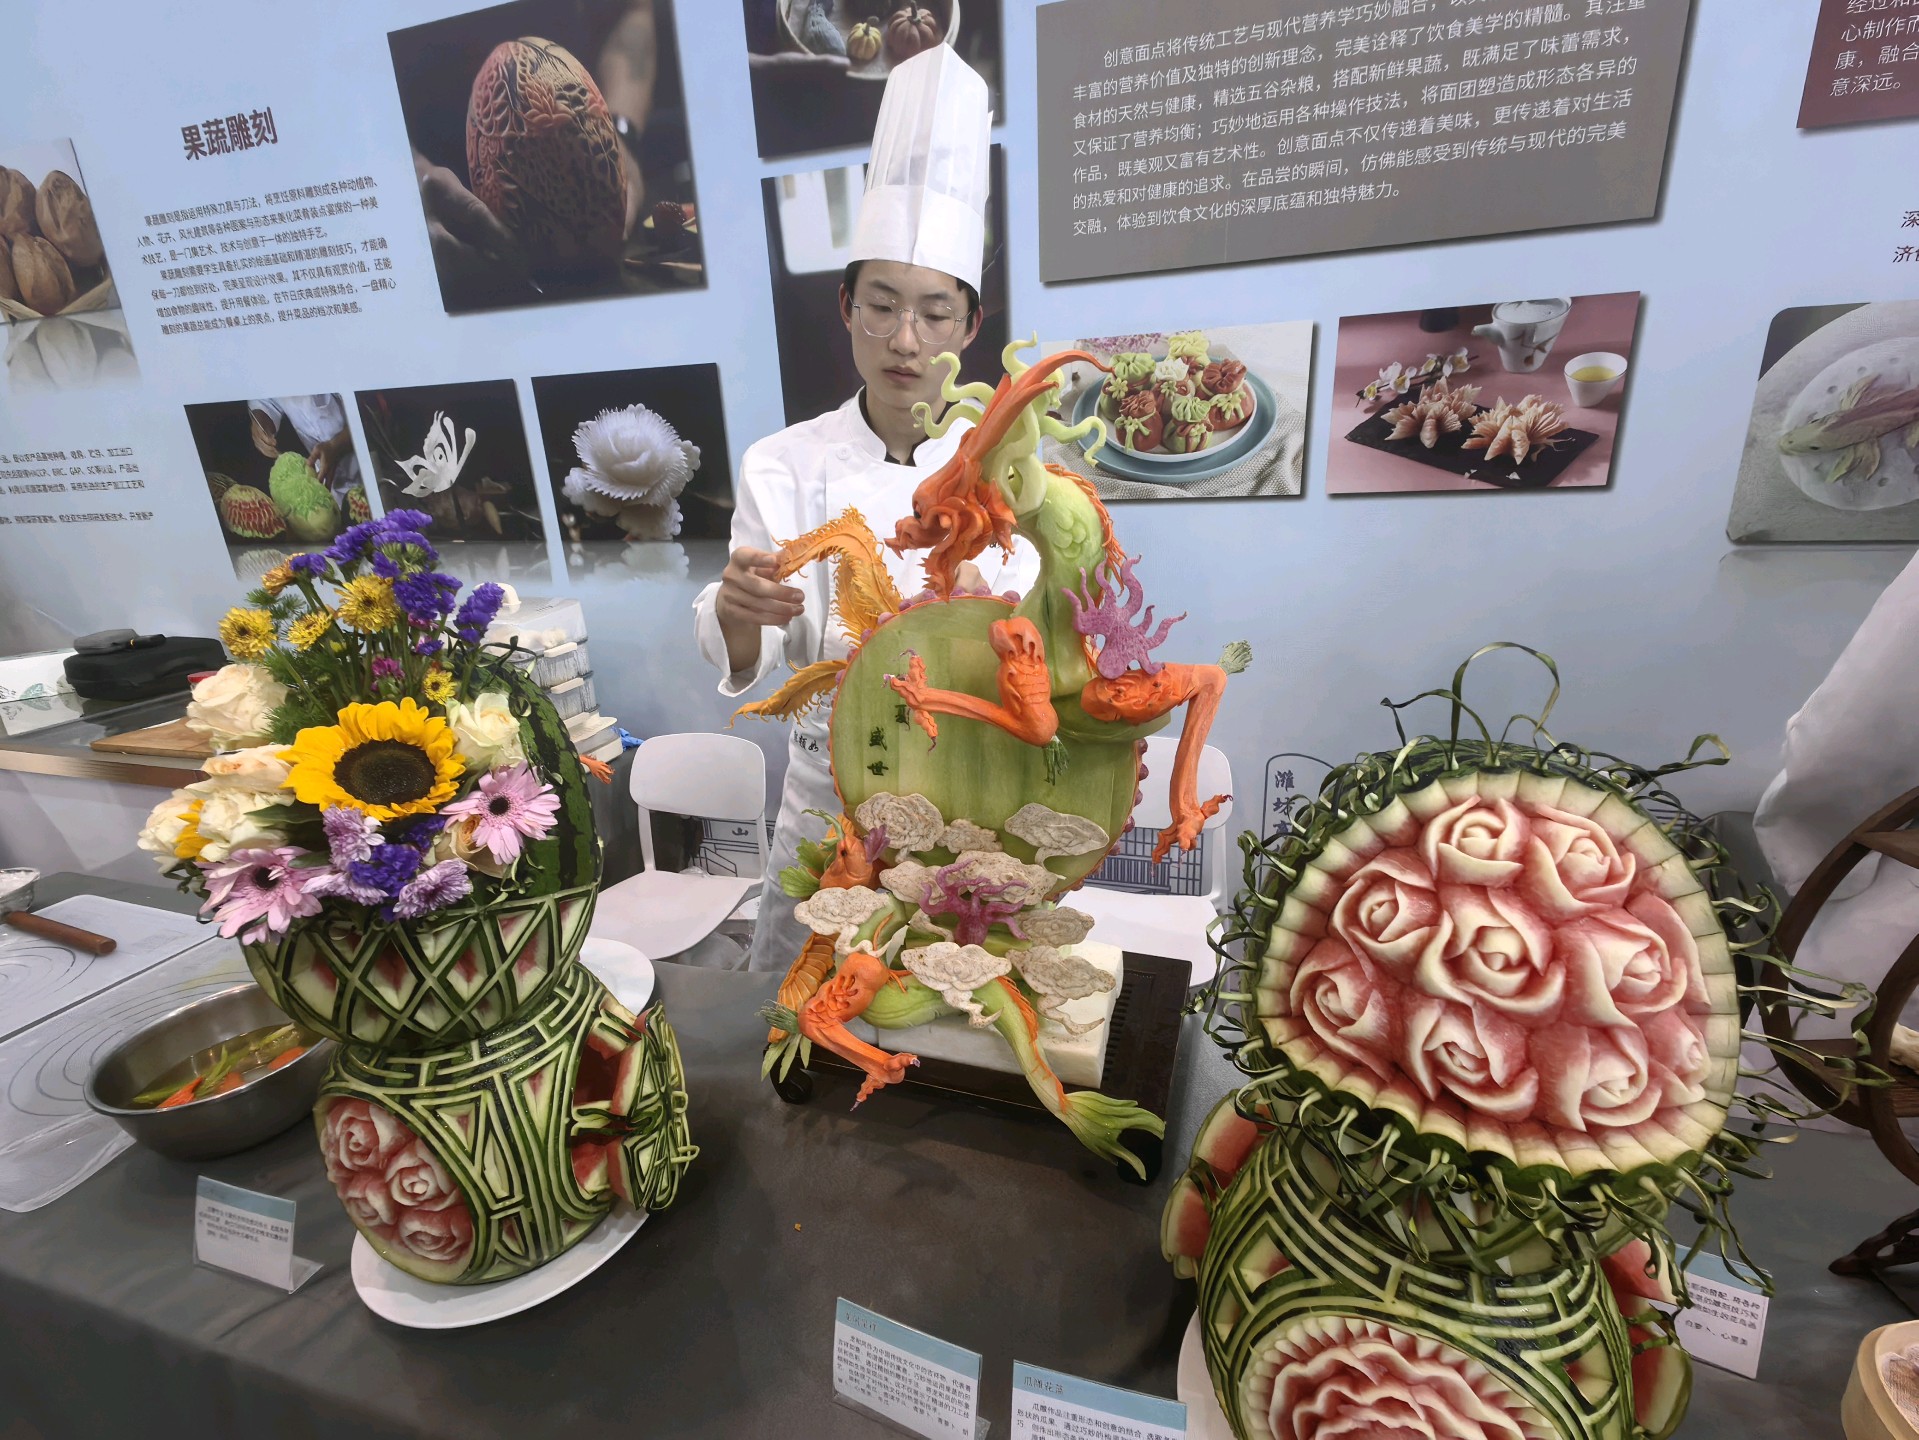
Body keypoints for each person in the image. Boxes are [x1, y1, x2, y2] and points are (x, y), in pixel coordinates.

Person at [692, 48, 1035, 972]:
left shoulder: (1010, 472)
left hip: (966, 785)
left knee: (946, 992)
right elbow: (756, 653)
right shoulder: (781, 462)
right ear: (846, 307)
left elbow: (1033, 646)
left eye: (934, 313)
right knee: (801, 998)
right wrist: (737, 613)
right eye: (881, 306)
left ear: (970, 326)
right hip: (824, 784)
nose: (904, 340)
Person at [249, 394, 361, 505]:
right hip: (330, 486)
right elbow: (264, 400)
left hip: (364, 462)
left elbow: (364, 412)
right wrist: (261, 426)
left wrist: (337, 446)